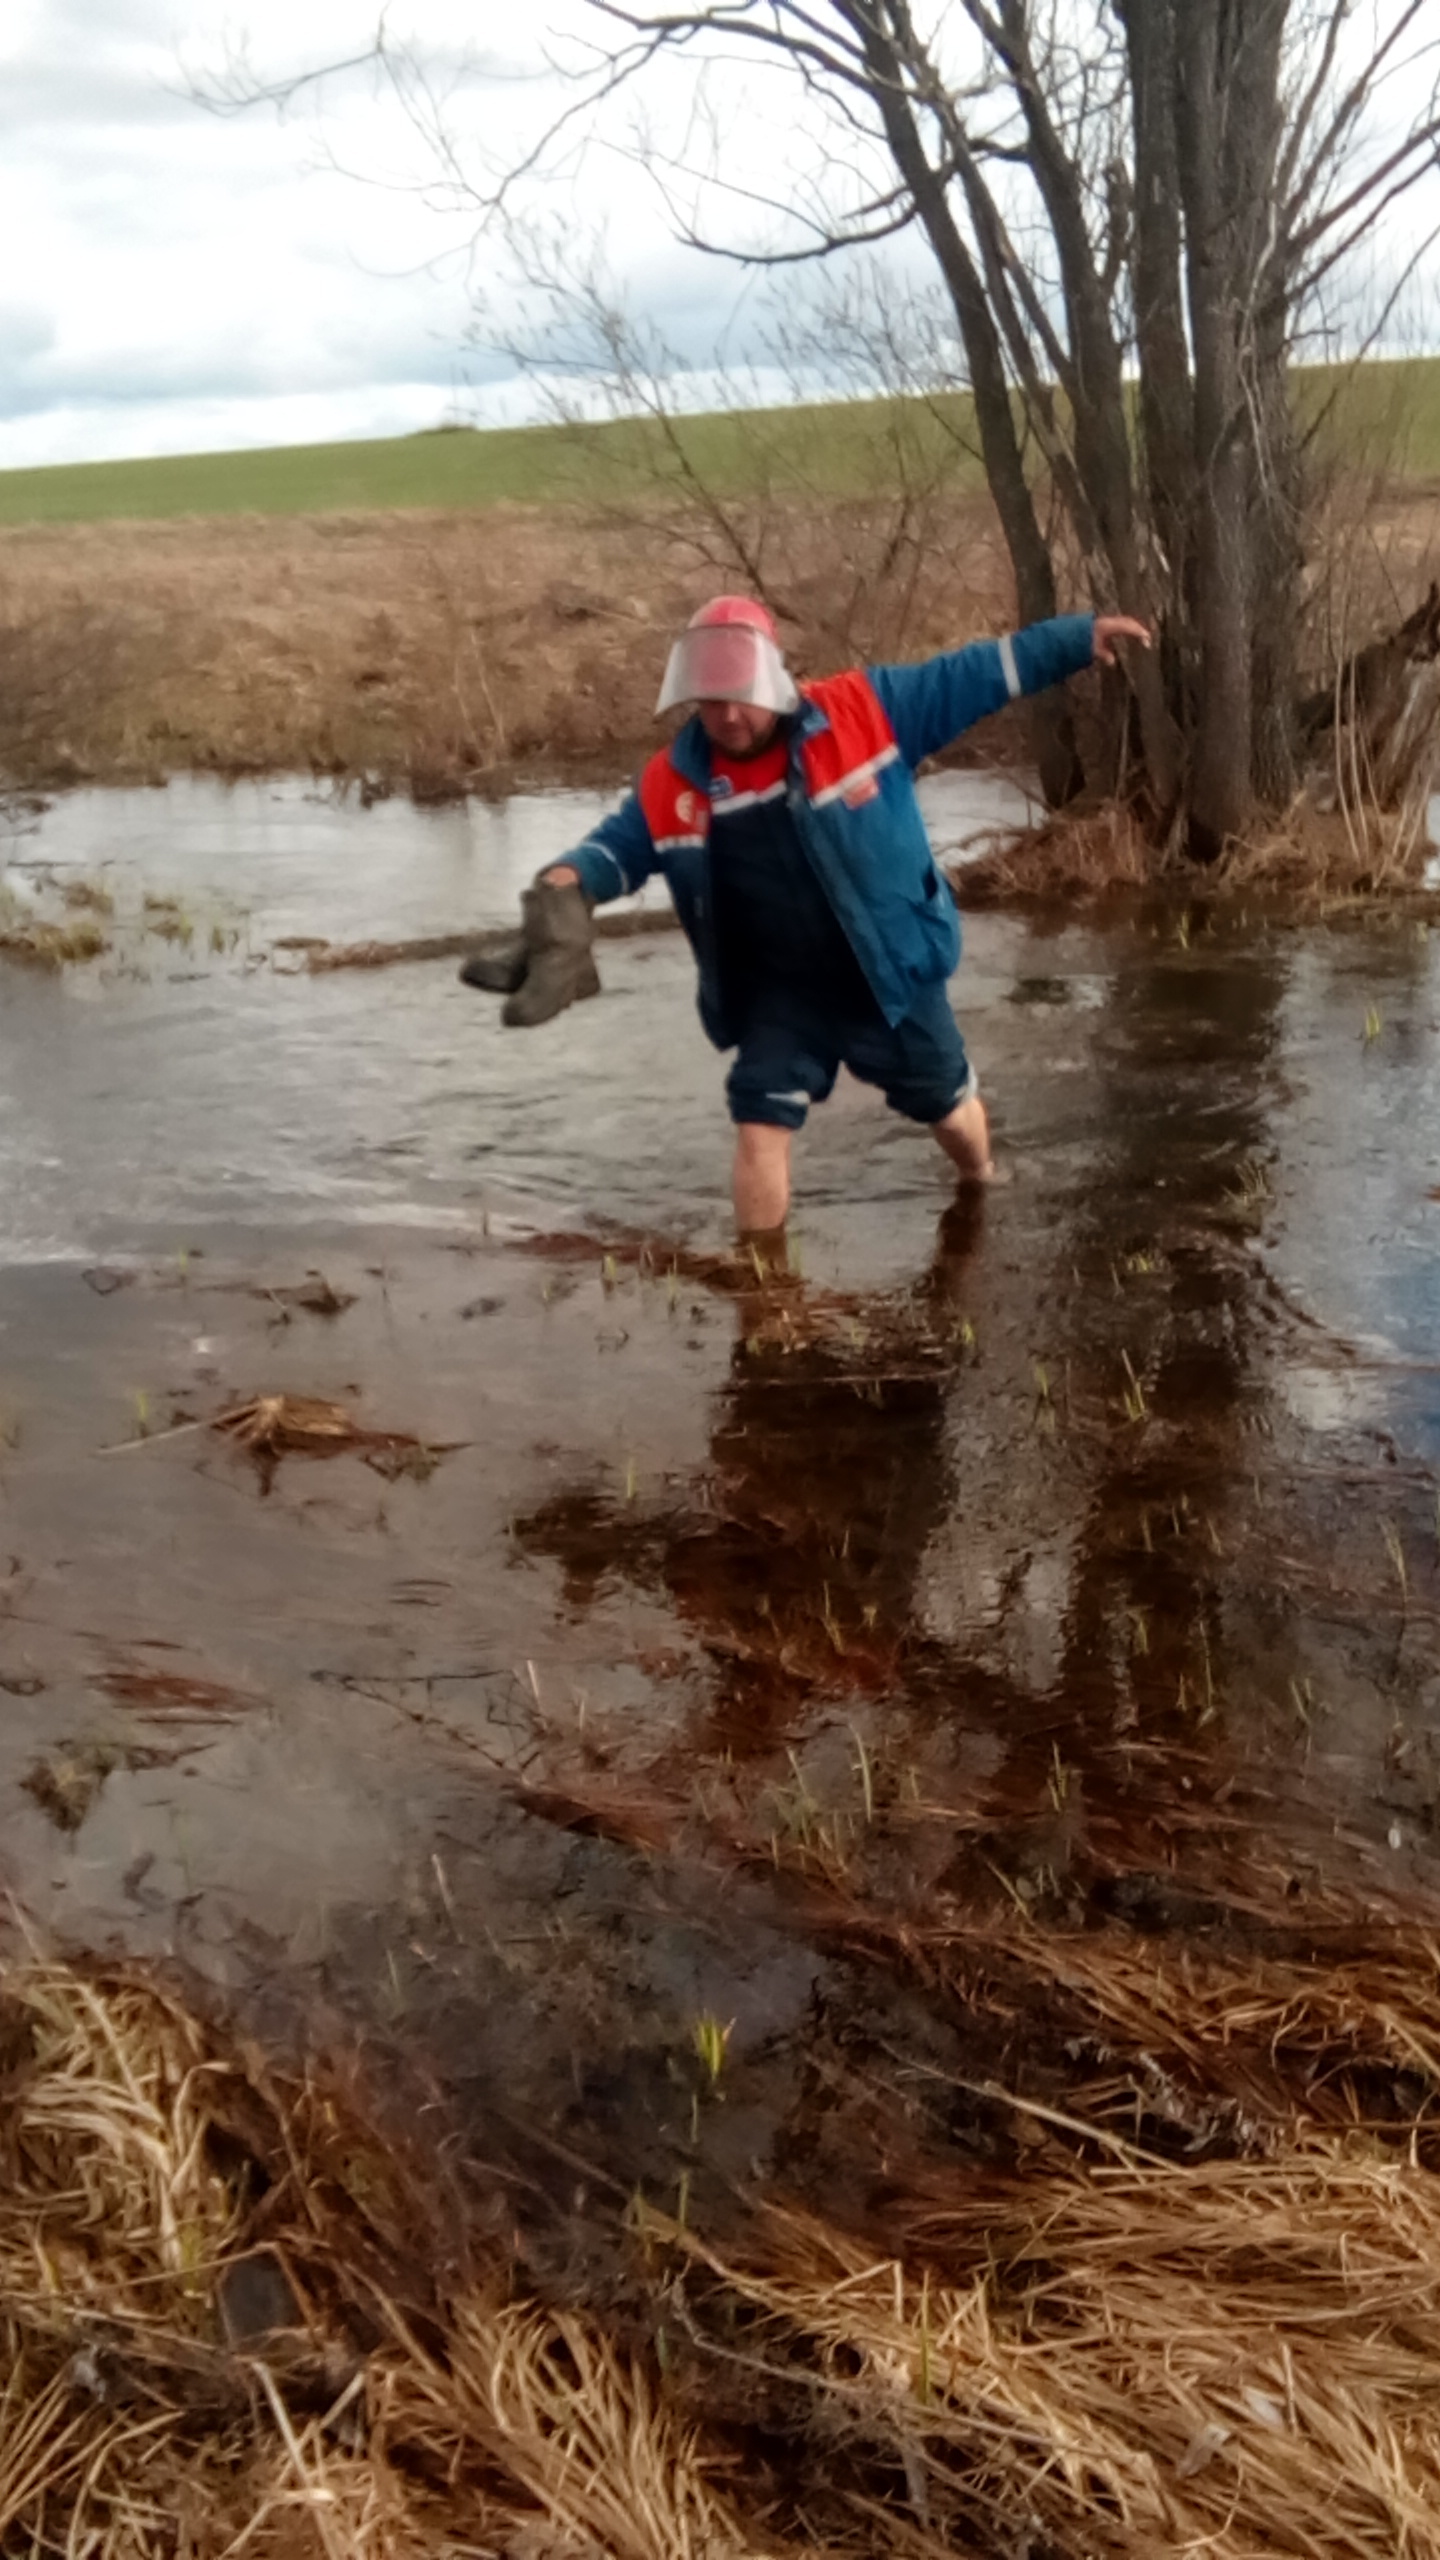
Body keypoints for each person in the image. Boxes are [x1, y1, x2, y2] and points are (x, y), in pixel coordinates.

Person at [461, 594, 1151, 1234]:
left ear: (773, 679)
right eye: (710, 703)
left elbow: (972, 675)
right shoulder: (672, 781)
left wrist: (1073, 639)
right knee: (759, 1122)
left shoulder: (866, 710)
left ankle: (979, 1181)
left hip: (887, 974)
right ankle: (765, 1299)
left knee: (950, 1111)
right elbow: (615, 848)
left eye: (740, 699)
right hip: (778, 992)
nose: (727, 717)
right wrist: (563, 883)